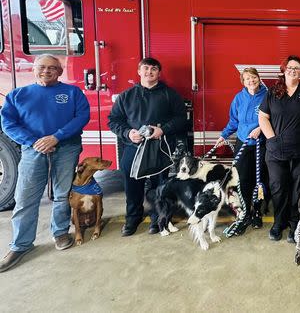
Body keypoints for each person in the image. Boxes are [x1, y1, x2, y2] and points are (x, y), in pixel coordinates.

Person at [0, 54, 90, 273]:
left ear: (59, 72)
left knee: (61, 194)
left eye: (52, 68)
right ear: (33, 69)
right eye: (42, 67)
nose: (47, 71)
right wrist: (34, 142)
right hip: (33, 151)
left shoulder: (72, 93)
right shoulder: (18, 95)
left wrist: (56, 137)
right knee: (25, 197)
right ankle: (20, 245)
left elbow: (82, 117)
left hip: (66, 148)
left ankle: (60, 233)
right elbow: (8, 123)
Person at [108, 57, 187, 237]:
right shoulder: (126, 96)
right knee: (132, 183)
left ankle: (157, 218)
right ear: (139, 72)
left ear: (159, 73)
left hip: (160, 147)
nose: (149, 72)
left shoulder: (170, 95)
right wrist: (128, 133)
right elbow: (113, 121)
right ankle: (132, 218)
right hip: (133, 147)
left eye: (153, 69)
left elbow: (182, 119)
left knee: (159, 185)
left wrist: (163, 129)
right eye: (146, 69)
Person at [258, 55, 300, 243]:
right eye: (290, 67)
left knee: (298, 190)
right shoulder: (273, 92)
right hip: (275, 153)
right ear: (284, 69)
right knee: (278, 188)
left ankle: (295, 224)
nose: (293, 70)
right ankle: (279, 223)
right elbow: (263, 117)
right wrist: (271, 138)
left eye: (297, 68)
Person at [216, 67, 268, 231]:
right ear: (243, 82)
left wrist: (261, 127)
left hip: (262, 144)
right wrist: (223, 136)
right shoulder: (239, 98)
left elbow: (274, 118)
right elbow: (234, 121)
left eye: (253, 77)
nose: (251, 81)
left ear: (258, 78)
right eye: (247, 79)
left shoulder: (267, 96)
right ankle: (245, 213)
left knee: (259, 180)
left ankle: (257, 211)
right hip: (243, 145)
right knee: (243, 180)